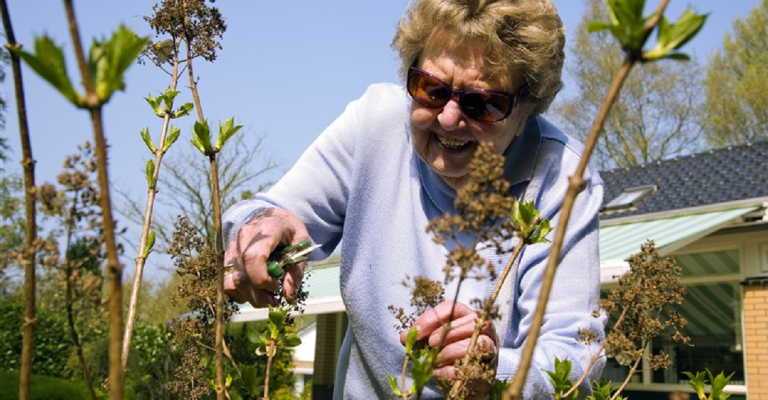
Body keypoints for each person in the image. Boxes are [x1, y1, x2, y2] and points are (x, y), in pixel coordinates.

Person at [222, 0, 606, 398]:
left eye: (482, 103)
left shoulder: (564, 179)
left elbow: (576, 358)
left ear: (528, 108)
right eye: (431, 89)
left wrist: (495, 374)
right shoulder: (375, 124)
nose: (448, 118)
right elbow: (263, 214)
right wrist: (260, 227)